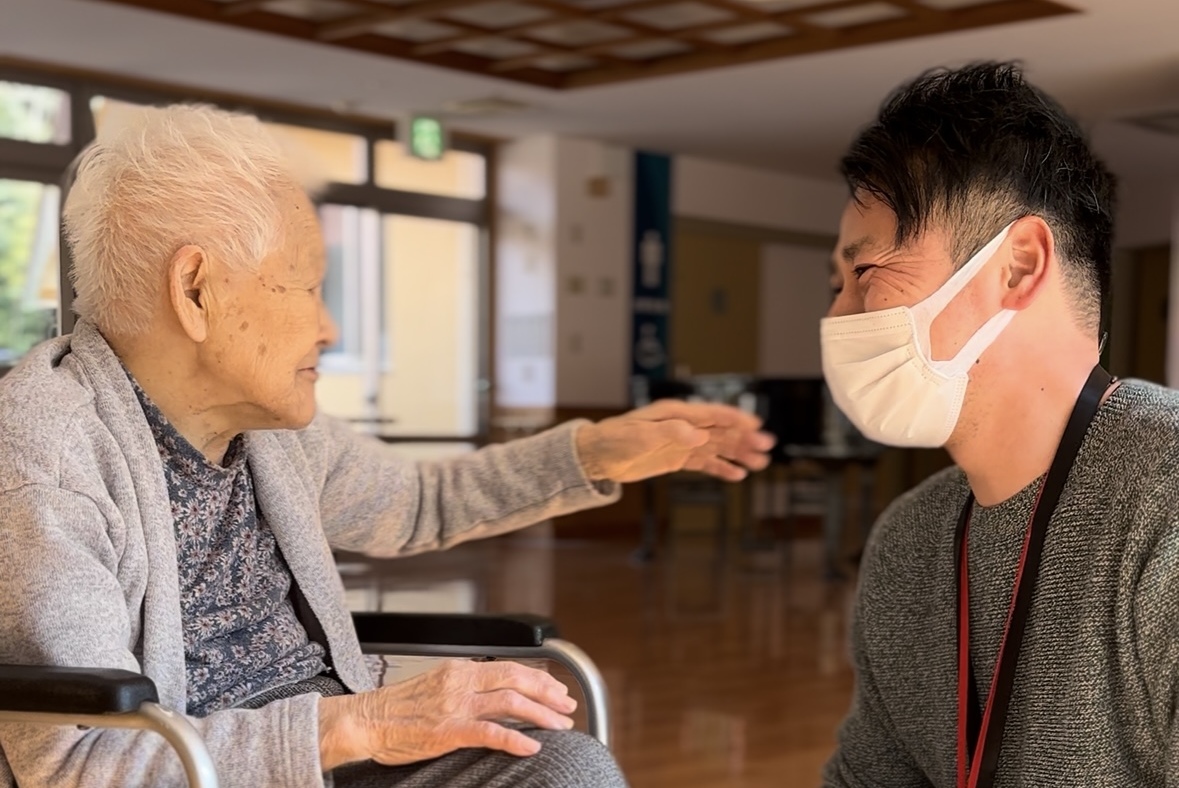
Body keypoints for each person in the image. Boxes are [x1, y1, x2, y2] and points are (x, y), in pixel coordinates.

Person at [0, 104, 775, 788]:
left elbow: (415, 503)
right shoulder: (49, 462)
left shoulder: (268, 432)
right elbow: (82, 764)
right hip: (215, 769)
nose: (329, 328)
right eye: (307, 285)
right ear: (196, 290)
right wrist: (362, 724)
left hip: (333, 752)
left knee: (559, 769)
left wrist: (592, 454)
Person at [821, 62, 1177, 787]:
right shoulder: (908, 540)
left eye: (865, 274)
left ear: (1017, 267)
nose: (837, 315)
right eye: (835, 285)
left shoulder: (1164, 502)